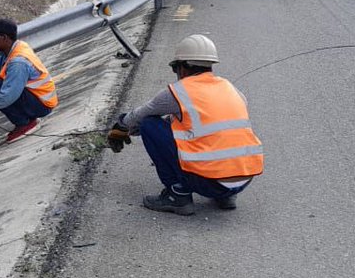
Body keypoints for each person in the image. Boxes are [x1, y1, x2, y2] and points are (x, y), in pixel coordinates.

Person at [107, 34, 263, 215]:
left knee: (149, 125)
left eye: (176, 68)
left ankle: (178, 195)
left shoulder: (179, 92)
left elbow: (140, 116)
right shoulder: (231, 89)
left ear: (183, 67)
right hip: (243, 179)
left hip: (209, 183)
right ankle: (225, 196)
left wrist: (121, 127)